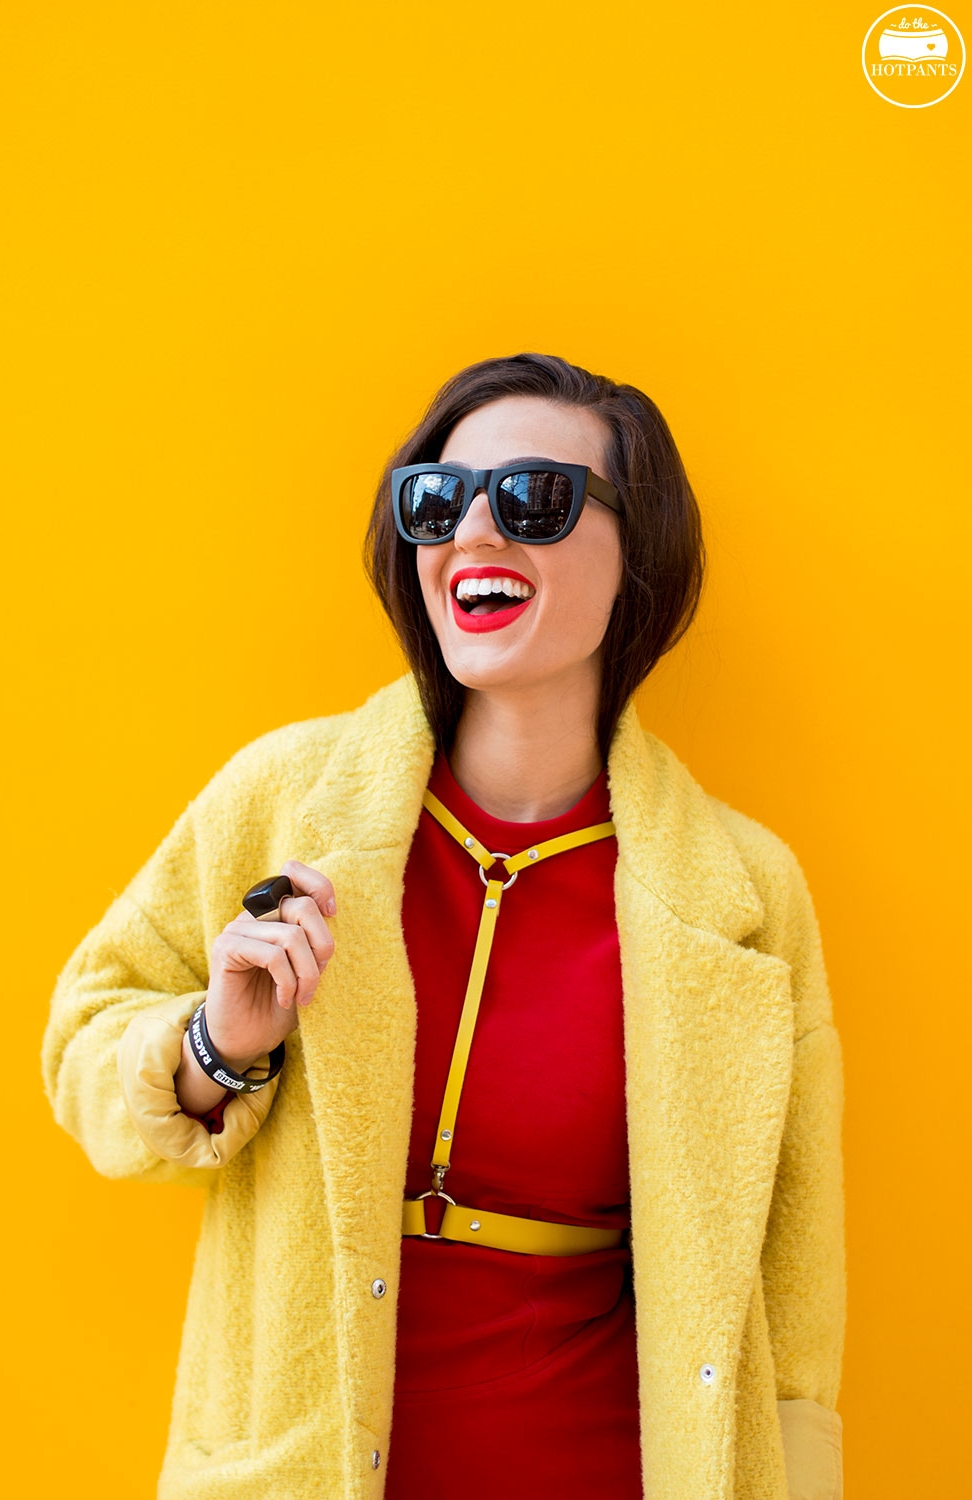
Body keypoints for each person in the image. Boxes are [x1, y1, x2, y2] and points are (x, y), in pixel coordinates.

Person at [42, 352, 845, 1500]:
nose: (472, 533)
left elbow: (794, 1292)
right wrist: (217, 1047)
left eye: (532, 498)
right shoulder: (281, 804)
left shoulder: (746, 893)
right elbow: (82, 1039)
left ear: (640, 556)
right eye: (436, 499)